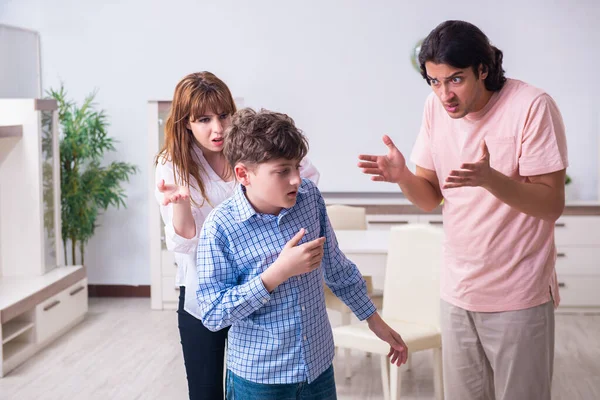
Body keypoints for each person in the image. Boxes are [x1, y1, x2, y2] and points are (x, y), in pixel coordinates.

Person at [358, 20, 568, 400]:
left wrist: (492, 179)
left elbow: (551, 204)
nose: (444, 94)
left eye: (455, 80)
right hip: (457, 291)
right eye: (435, 82)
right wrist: (403, 175)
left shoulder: (531, 107)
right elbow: (429, 197)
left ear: (482, 69)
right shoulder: (435, 108)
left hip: (519, 293)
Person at [195, 108, 408, 400]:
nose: (296, 179)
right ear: (244, 174)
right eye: (283, 171)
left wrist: (374, 320)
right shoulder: (220, 228)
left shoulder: (309, 199)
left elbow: (337, 268)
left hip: (317, 369)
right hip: (259, 381)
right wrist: (275, 274)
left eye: (297, 166)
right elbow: (212, 313)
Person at [154, 72, 320, 400]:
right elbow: (185, 244)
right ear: (186, 123)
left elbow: (304, 178)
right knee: (206, 392)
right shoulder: (172, 165)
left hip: (261, 289)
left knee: (264, 388)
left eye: (224, 115)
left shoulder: (251, 148)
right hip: (207, 295)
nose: (218, 128)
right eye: (204, 119)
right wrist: (182, 204)